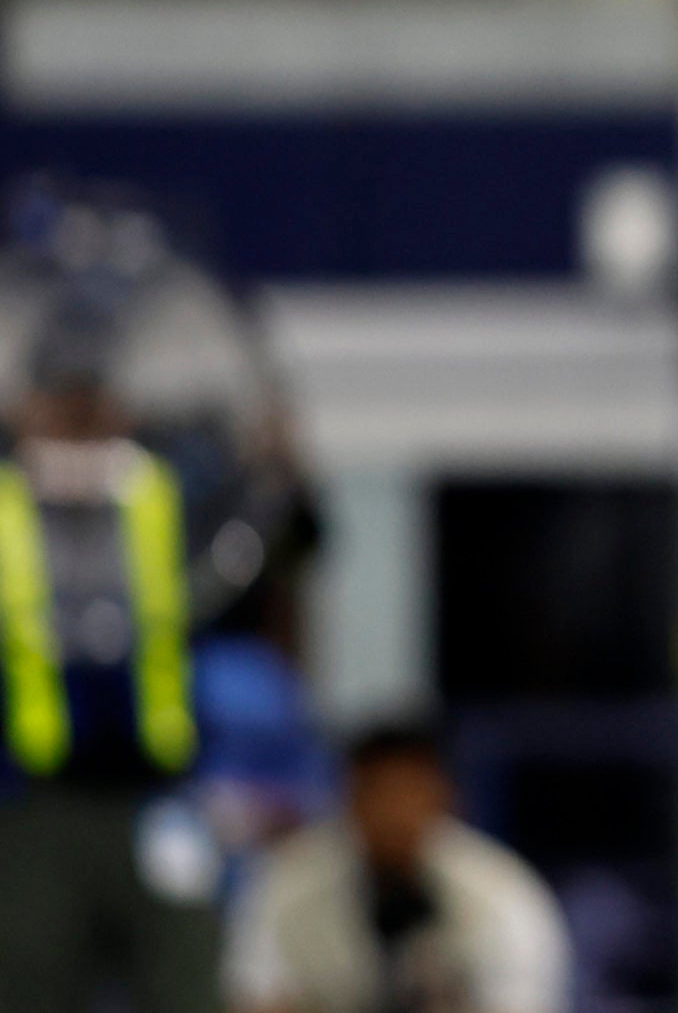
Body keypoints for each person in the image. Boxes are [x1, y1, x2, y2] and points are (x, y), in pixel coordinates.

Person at [0, 300, 221, 1013]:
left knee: (184, 980)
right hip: (35, 796)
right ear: (27, 408)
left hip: (156, 794)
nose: (80, 422)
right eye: (64, 405)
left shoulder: (162, 494)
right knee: (31, 980)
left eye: (93, 405)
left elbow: (285, 551)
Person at [225, 721, 569, 1013]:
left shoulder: (499, 891)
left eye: (410, 793)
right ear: (348, 795)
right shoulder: (290, 877)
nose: (394, 813)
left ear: (445, 796)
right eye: (378, 791)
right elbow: (253, 994)